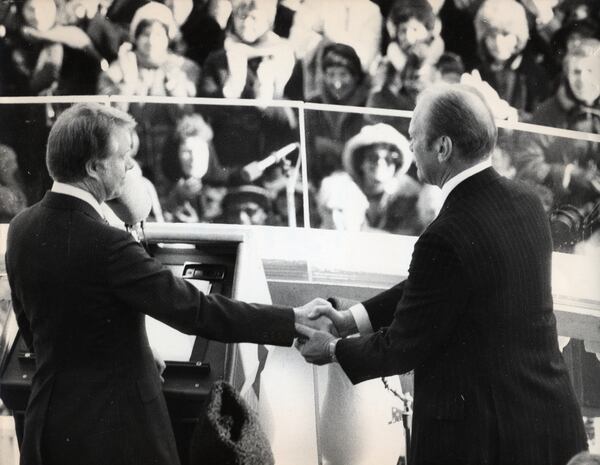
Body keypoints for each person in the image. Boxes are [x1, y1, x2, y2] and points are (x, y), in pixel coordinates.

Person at [4, 102, 333, 465]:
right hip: (116, 436)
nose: (130, 166)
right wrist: (292, 320)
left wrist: (137, 352)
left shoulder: (21, 229)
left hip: (46, 426)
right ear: (94, 167)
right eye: (124, 155)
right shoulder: (108, 245)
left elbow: (37, 332)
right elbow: (197, 310)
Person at [296, 83, 588, 465]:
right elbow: (439, 283)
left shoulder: (446, 234)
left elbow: (402, 346)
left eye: (415, 136)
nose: (411, 145)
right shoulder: (528, 203)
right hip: (550, 428)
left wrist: (333, 348)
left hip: (486, 444)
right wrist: (352, 319)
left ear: (443, 148)